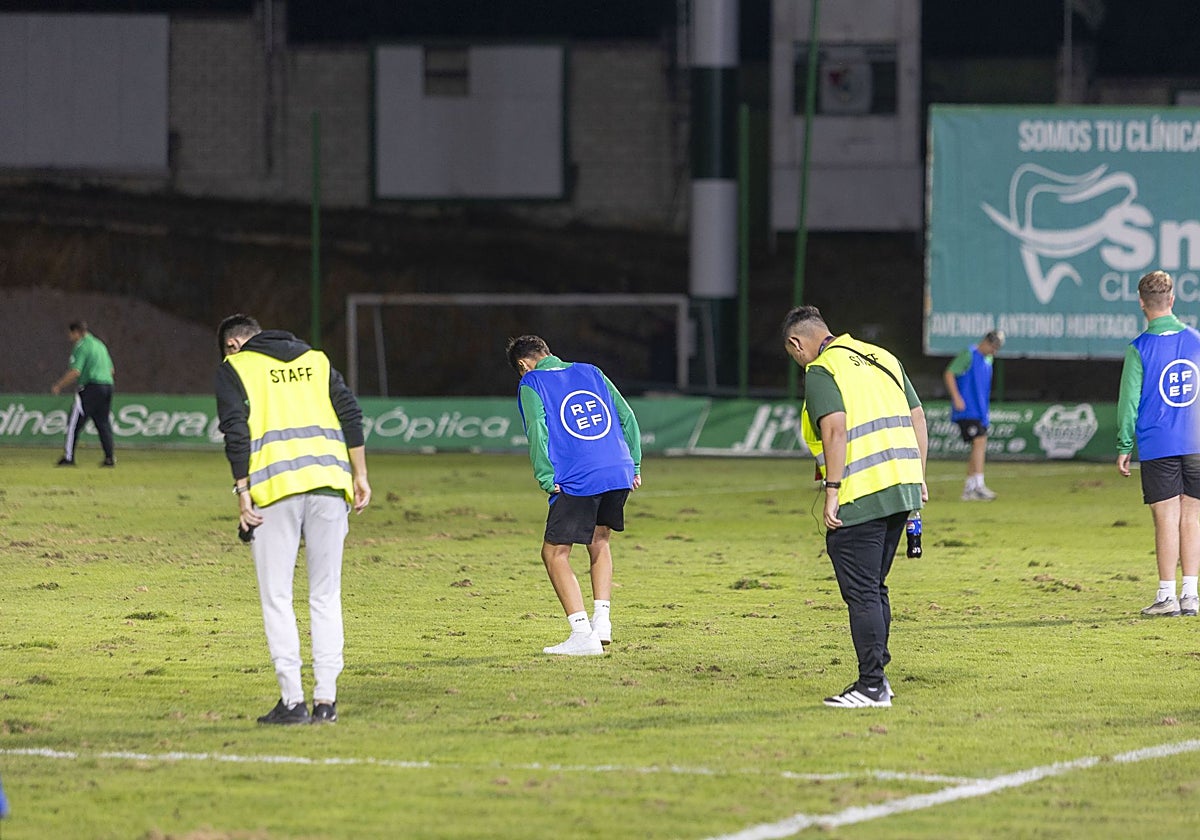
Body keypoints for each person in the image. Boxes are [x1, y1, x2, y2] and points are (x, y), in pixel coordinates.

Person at [215, 314, 371, 724]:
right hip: (329, 485)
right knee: (325, 594)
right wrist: (360, 477)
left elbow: (236, 431)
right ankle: (326, 701)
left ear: (234, 345)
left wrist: (242, 494)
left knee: (277, 597)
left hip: (275, 491)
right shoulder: (316, 360)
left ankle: (291, 702)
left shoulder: (236, 368)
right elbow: (351, 414)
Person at [783, 305, 928, 708]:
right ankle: (880, 676)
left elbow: (834, 426)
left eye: (793, 353)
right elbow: (918, 416)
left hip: (860, 493)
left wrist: (832, 489)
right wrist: (919, 475)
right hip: (900, 489)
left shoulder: (823, 369)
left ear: (797, 343)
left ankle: (871, 685)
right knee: (875, 587)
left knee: (862, 592)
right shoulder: (882, 357)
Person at [506, 335, 642, 656]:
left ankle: (582, 634)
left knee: (554, 554)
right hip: (618, 468)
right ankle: (602, 621)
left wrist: (544, 475)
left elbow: (537, 430)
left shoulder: (532, 383)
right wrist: (633, 463)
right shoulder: (591, 371)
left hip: (580, 474)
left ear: (524, 365)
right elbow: (627, 416)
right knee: (599, 541)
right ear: (548, 352)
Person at [1116, 270, 1200, 618]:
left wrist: (1124, 445)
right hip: (1196, 441)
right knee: (1193, 516)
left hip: (1158, 442)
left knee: (1165, 517)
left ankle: (1166, 596)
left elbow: (1128, 402)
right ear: (1172, 299)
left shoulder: (1139, 349)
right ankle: (1191, 595)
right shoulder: (1197, 340)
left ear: (1141, 303)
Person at [943, 330, 1005, 501]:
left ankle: (971, 487)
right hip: (967, 409)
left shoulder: (988, 359)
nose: (994, 351)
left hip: (980, 409)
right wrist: (956, 397)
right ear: (986, 342)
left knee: (979, 443)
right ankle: (977, 485)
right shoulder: (968, 354)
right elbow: (949, 373)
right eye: (993, 347)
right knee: (979, 440)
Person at [51, 320, 116, 467]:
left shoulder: (81, 346)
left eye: (70, 334)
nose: (69, 337)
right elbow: (112, 370)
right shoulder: (100, 344)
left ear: (77, 332)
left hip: (91, 387)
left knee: (74, 423)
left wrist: (58, 385)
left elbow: (75, 371)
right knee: (103, 423)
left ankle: (68, 458)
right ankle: (109, 458)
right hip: (107, 386)